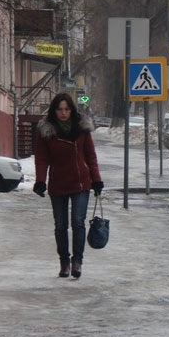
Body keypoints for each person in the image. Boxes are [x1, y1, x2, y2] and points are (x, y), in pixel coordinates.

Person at [33, 93, 103, 279]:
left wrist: (96, 180)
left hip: (81, 182)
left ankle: (77, 261)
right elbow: (41, 158)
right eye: (59, 109)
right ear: (54, 111)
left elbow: (91, 155)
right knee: (60, 225)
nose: (63, 113)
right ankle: (64, 261)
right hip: (58, 183)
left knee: (78, 222)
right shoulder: (46, 131)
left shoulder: (81, 128)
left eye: (66, 109)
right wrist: (40, 180)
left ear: (71, 109)